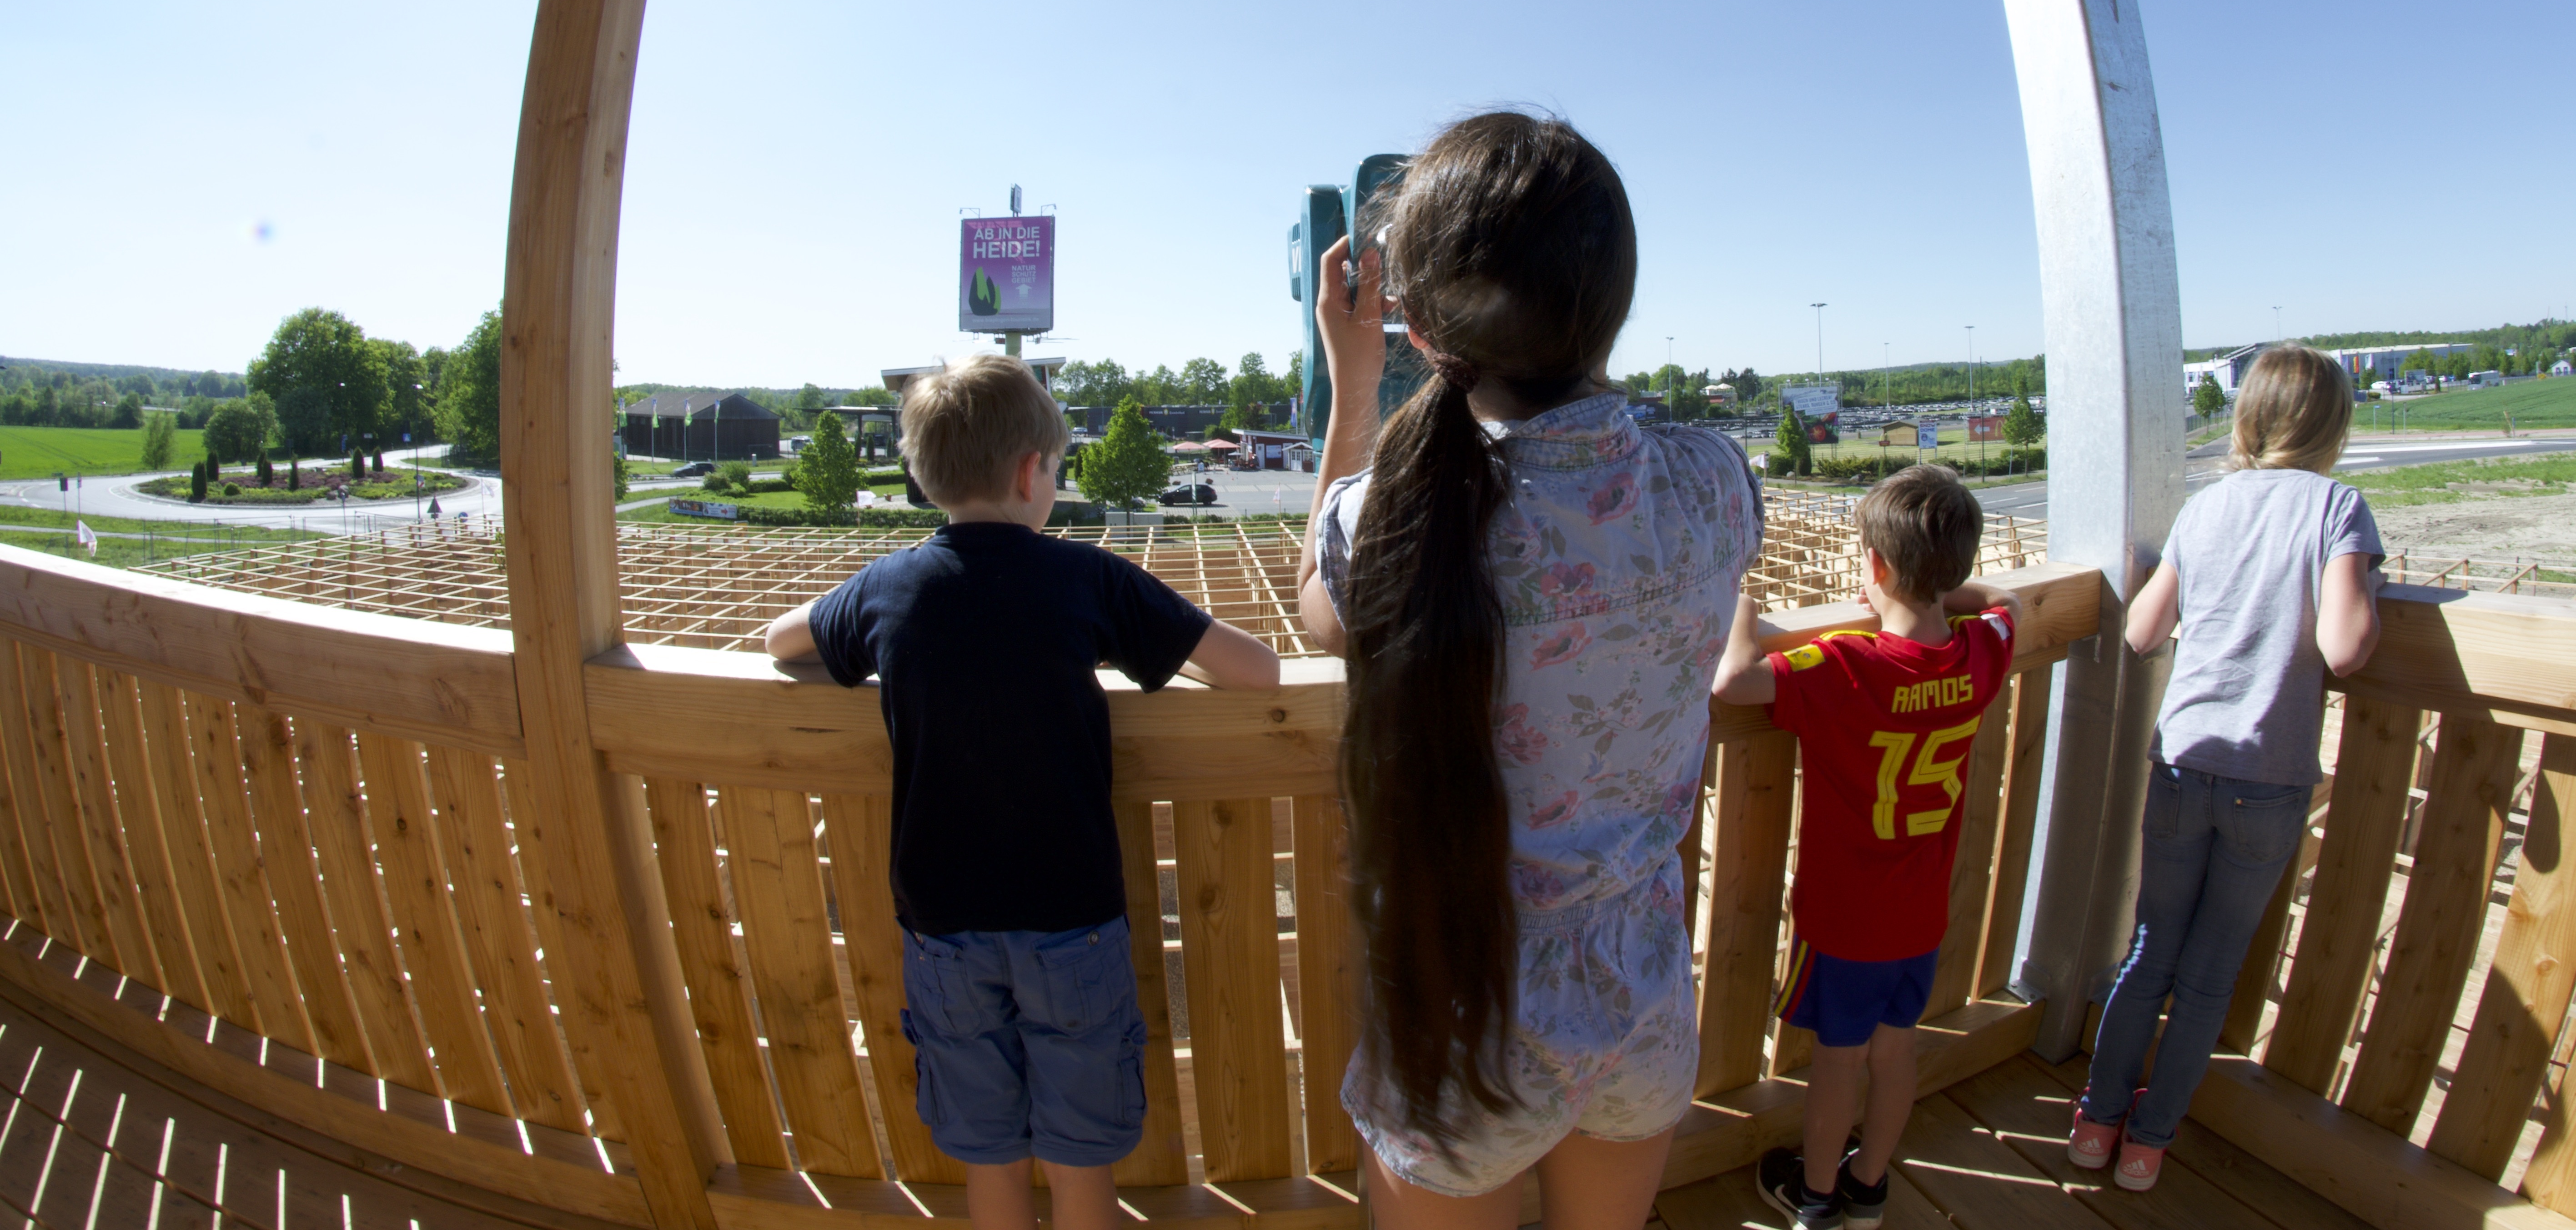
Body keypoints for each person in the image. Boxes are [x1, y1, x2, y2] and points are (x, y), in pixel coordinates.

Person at [1294, 112, 1760, 1230]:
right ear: (1613, 300)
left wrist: (1354, 384)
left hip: (1464, 1010)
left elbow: (1319, 613)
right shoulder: (1712, 482)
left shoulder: (1388, 514)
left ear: (1421, 324)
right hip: (1643, 992)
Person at [763, 355, 1280, 1230]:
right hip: (1070, 922)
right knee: (1081, 1168)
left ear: (925, 474)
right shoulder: (1087, 578)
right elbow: (1257, 671)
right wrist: (1130, 648)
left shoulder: (890, 584)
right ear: (1031, 471)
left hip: (942, 929)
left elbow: (781, 643)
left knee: (991, 1160)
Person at [2067, 342, 2382, 1192]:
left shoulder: (2207, 508)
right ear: (2332, 425)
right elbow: (2345, 647)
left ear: (2249, 419)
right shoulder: (2338, 507)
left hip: (2182, 759)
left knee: (2149, 952)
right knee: (2208, 975)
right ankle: (2147, 1146)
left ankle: (2094, 1126)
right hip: (2268, 776)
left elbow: (2142, 632)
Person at [1712, 465, 2030, 1230]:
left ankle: (1816, 1198)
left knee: (1837, 1065)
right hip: (1920, 915)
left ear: (1876, 567)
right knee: (1895, 1055)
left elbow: (1733, 682)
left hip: (1847, 919)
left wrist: (1741, 607)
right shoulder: (1980, 653)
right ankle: (1870, 1186)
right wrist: (1938, 591)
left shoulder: (1846, 666)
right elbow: (2008, 603)